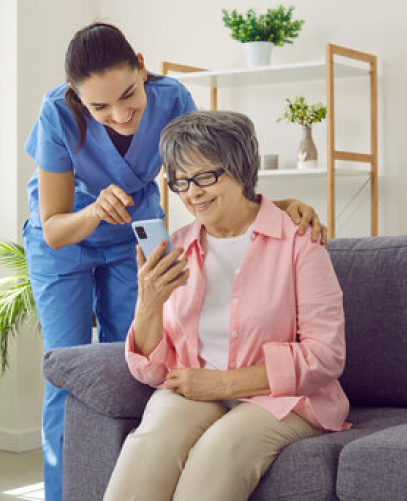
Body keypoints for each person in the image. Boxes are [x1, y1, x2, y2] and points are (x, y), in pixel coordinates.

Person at [23, 23, 328, 500]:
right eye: (99, 107)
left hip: (137, 230)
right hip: (69, 235)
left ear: (142, 67)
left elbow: (209, 165)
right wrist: (93, 211)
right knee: (71, 369)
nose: (120, 115)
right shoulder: (57, 114)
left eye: (128, 96)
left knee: (144, 361)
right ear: (78, 99)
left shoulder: (172, 98)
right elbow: (54, 226)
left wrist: (271, 205)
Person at [104, 110, 350, 501]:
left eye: (205, 177)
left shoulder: (298, 239)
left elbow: (326, 355)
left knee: (219, 450)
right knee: (150, 442)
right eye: (181, 181)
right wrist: (148, 304)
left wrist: (221, 383)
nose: (192, 192)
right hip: (195, 391)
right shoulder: (177, 247)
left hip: (283, 399)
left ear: (241, 168)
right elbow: (151, 372)